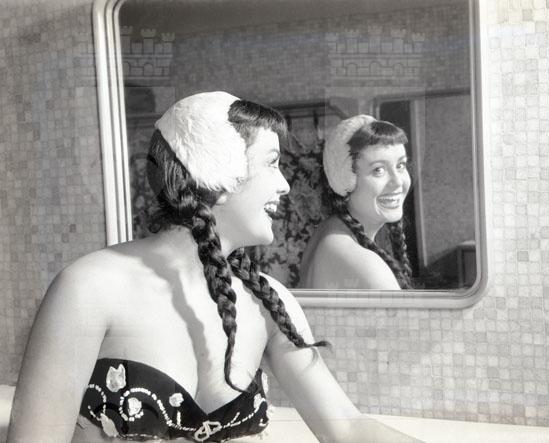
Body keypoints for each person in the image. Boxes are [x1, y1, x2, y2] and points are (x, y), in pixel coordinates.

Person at [8, 92, 422, 443]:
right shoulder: (89, 288)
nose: (285, 184)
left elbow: (347, 427)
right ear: (219, 176)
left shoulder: (267, 301)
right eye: (271, 163)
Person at [299, 115, 413, 290]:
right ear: (346, 181)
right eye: (378, 170)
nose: (397, 181)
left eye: (401, 165)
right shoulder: (367, 265)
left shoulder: (330, 230)